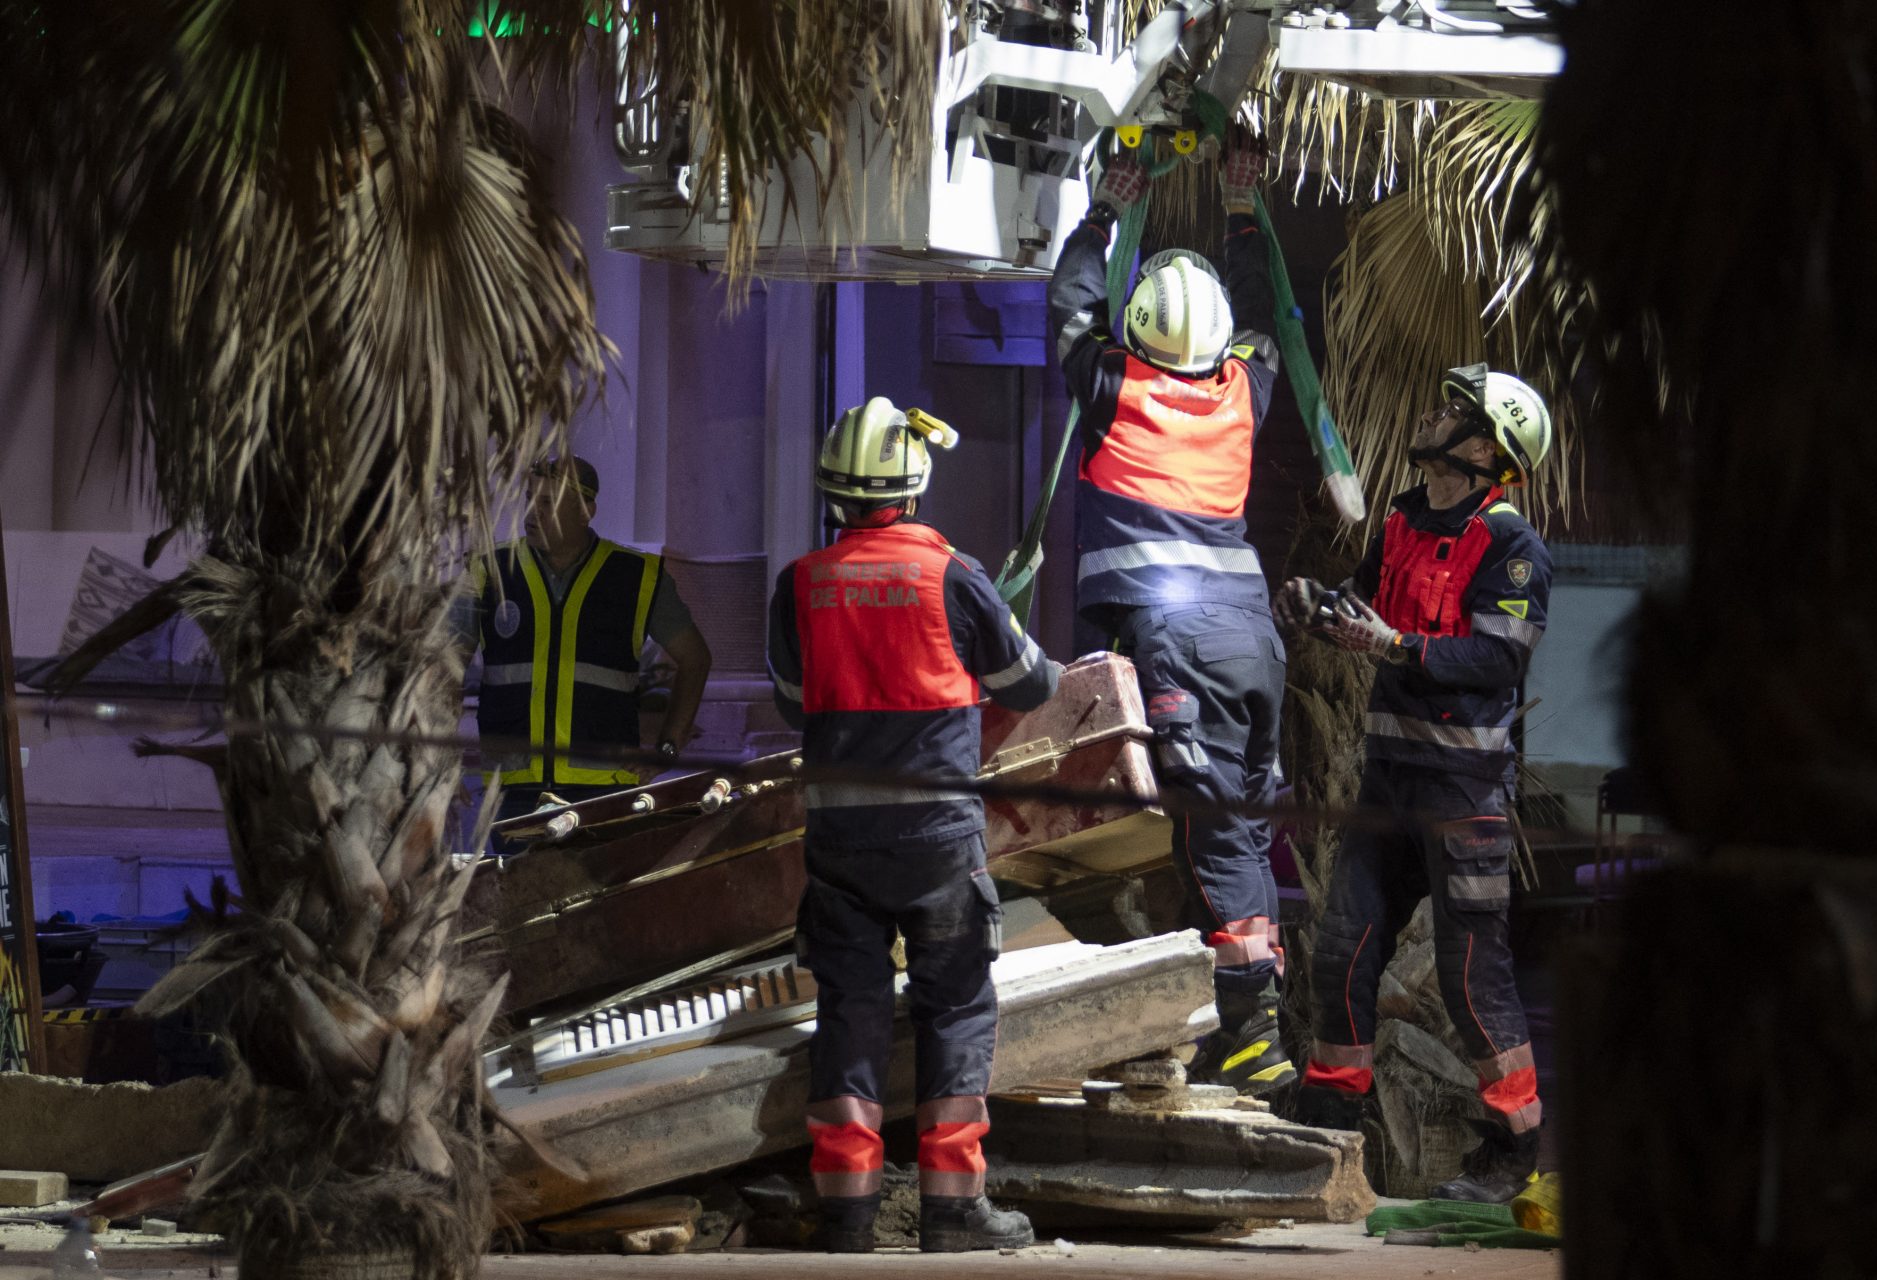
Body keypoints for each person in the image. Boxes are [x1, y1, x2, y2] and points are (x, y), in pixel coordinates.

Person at [767, 397, 1062, 1254]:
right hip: (936, 840)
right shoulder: (954, 575)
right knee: (957, 1008)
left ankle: (847, 1214)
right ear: (915, 484)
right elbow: (1033, 686)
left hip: (838, 848)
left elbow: (793, 706)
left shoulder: (801, 584)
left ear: (834, 490)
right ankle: (952, 1210)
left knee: (849, 1014)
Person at [1045, 131, 1295, 1094]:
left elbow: (1071, 306)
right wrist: (1242, 202)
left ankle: (1249, 1029)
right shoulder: (1245, 391)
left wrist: (1105, 209)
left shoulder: (1113, 389)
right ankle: (1241, 1010)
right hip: (1252, 640)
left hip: (1175, 641)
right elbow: (1266, 308)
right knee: (1237, 819)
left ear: (1140, 332)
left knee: (1213, 831)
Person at [1278, 364, 1554, 1203]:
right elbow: (1365, 604)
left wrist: (1395, 649)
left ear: (1486, 448)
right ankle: (1331, 1119)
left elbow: (1498, 655)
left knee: (1474, 980)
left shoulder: (1513, 547)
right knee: (1343, 948)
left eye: (1454, 413)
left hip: (1461, 796)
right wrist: (1318, 606)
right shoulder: (1401, 516)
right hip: (1387, 782)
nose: (1433, 416)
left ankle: (1513, 1148)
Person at [464, 456, 711, 849]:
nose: (532, 513)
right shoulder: (490, 571)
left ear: (585, 511)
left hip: (604, 790)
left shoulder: (636, 575)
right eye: (529, 499)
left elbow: (695, 659)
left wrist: (666, 748)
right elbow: (442, 668)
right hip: (513, 791)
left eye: (547, 503)